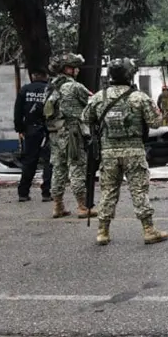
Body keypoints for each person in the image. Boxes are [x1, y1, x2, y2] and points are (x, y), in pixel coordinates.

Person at [82, 58, 168, 245]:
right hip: (134, 151)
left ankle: (102, 232)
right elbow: (156, 122)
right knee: (139, 191)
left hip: (108, 152)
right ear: (130, 75)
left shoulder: (99, 97)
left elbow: (85, 118)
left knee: (108, 191)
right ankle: (148, 230)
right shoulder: (139, 97)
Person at [45, 53, 95, 219]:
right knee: (77, 166)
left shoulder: (51, 86)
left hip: (55, 133)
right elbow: (93, 103)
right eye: (75, 67)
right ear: (68, 69)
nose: (77, 70)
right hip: (72, 132)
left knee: (58, 168)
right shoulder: (74, 87)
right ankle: (82, 206)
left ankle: (57, 206)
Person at [14, 71, 52, 202]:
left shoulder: (25, 89)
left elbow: (17, 111)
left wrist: (20, 128)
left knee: (29, 161)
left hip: (30, 129)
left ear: (33, 76)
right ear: (46, 76)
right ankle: (46, 192)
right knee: (49, 161)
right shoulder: (50, 89)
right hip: (49, 129)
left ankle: (23, 193)